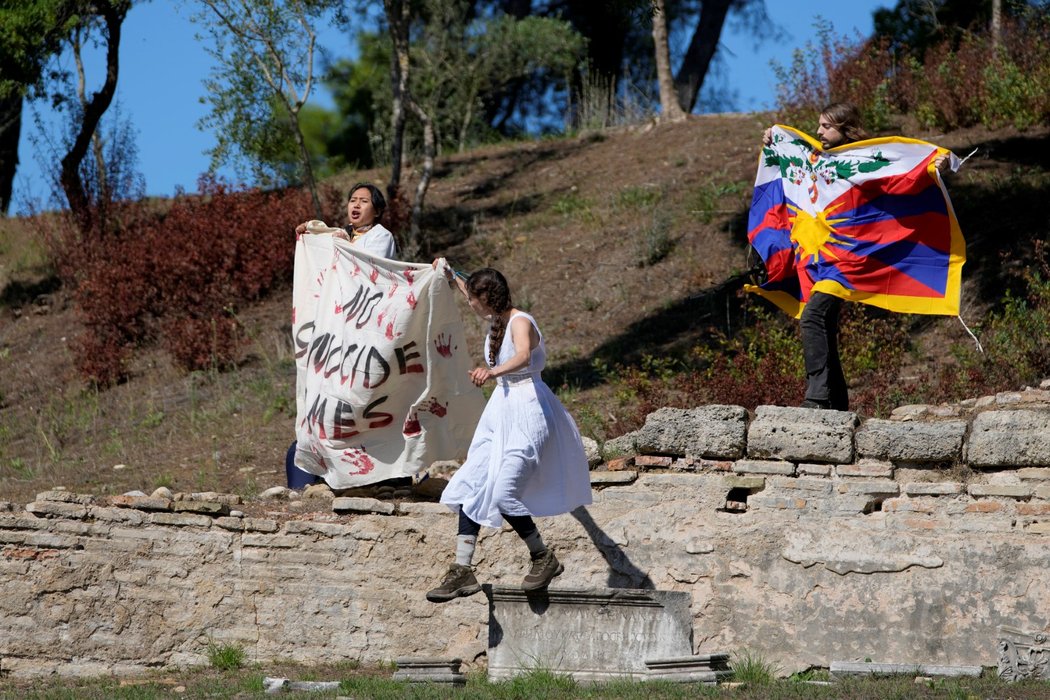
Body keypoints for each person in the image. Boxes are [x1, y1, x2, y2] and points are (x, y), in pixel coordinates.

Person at [761, 102, 949, 411]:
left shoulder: (863, 158)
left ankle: (817, 399)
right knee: (824, 325)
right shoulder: (816, 158)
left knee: (812, 317)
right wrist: (775, 139)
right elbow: (791, 169)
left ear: (845, 129)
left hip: (850, 259)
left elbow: (899, 174)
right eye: (818, 125)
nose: (818, 131)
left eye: (826, 127)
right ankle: (836, 405)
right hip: (819, 259)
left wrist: (931, 165)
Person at [425, 265, 593, 602]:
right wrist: (450, 274)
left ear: (487, 297)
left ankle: (542, 556)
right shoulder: (496, 320)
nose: (470, 303)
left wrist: (492, 372)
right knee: (469, 484)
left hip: (528, 410)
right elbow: (466, 291)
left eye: (474, 298)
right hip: (500, 411)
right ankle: (463, 570)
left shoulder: (520, 322)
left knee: (503, 494)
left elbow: (523, 354)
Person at [295, 182, 397, 259]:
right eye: (353, 200)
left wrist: (345, 245)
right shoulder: (343, 233)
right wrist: (309, 233)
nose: (356, 205)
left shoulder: (381, 236)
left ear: (377, 212)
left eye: (364, 201)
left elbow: (371, 269)